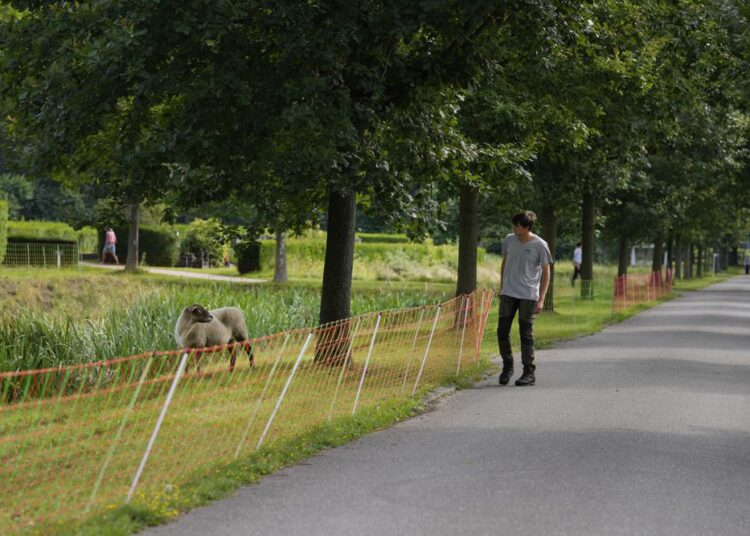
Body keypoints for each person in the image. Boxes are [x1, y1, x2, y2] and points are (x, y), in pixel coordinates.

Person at [497, 210, 552, 387]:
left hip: (528, 295)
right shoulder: (509, 240)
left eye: (517, 225)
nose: (514, 228)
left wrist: (541, 299)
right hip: (508, 293)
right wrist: (502, 285)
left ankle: (529, 372)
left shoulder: (540, 245)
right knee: (502, 331)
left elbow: (547, 273)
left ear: (526, 227)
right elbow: (504, 262)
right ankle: (507, 366)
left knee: (525, 334)